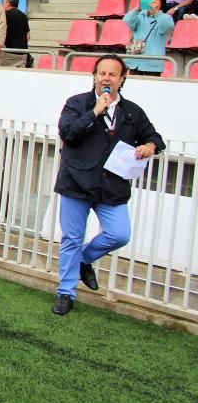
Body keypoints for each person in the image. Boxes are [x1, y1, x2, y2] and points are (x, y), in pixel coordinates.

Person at [52, 54, 164, 316]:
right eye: (102, 73)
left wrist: (150, 146)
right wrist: (95, 112)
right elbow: (68, 133)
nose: (106, 78)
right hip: (75, 182)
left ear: (122, 78)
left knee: (119, 234)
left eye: (112, 74)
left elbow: (154, 137)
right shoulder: (77, 103)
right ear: (94, 76)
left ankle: (83, 260)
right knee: (72, 238)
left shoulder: (132, 112)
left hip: (110, 187)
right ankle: (66, 293)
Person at [122, 0, 174, 75]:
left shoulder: (166, 17)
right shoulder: (139, 15)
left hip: (152, 63)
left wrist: (156, 13)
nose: (153, 1)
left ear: (162, 2)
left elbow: (166, 27)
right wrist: (138, 7)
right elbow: (127, 20)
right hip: (135, 61)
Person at [0, 0, 30, 68]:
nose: (2, 5)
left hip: (9, 54)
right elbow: (28, 36)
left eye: (3, 2)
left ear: (8, 3)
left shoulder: (4, 16)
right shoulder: (23, 16)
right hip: (23, 53)